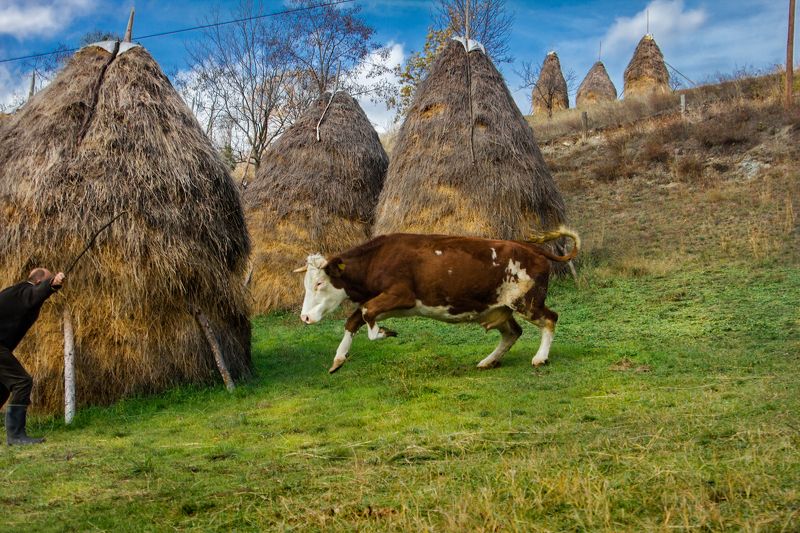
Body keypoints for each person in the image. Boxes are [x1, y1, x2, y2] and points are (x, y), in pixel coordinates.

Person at [0, 268, 65, 445]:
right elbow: (34, 294)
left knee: (3, 387)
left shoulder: (14, 293)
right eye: (47, 279)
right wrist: (52, 285)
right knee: (22, 382)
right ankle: (15, 436)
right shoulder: (23, 291)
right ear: (38, 282)